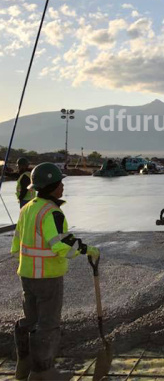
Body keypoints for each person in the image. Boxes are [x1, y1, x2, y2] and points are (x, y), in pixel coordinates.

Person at [10, 163, 100, 381]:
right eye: (60, 183)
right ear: (51, 186)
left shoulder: (28, 207)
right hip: (47, 277)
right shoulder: (52, 212)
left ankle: (24, 365)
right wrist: (88, 250)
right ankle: (43, 372)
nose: (62, 187)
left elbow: (16, 245)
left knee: (30, 321)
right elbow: (60, 245)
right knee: (48, 324)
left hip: (27, 275)